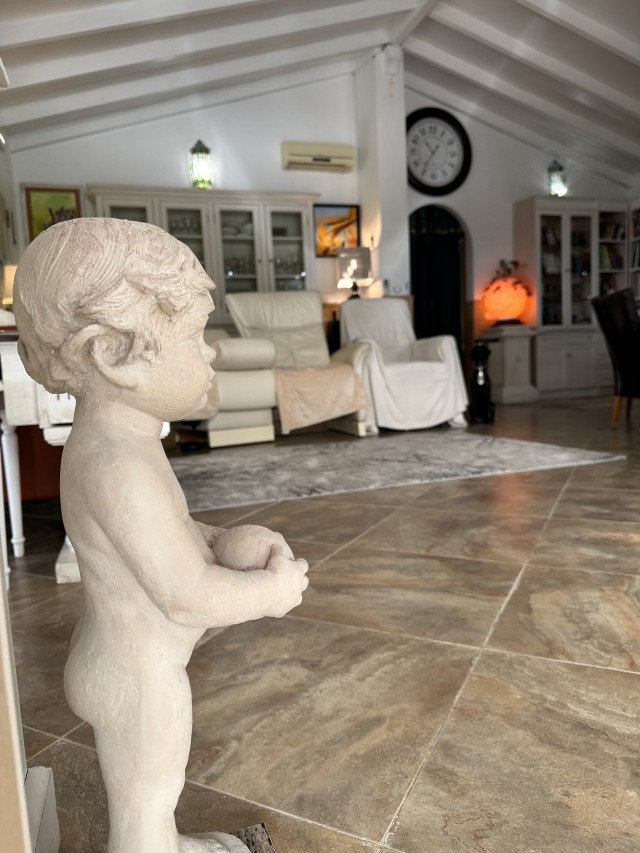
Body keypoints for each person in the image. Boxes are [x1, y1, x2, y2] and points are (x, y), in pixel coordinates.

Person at [13, 218, 309, 853]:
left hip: (118, 656)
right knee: (147, 801)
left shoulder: (114, 442)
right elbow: (184, 595)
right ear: (111, 355)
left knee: (148, 794)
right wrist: (272, 593)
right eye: (195, 335)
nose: (210, 353)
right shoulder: (118, 463)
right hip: (139, 675)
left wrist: (219, 537)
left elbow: (154, 538)